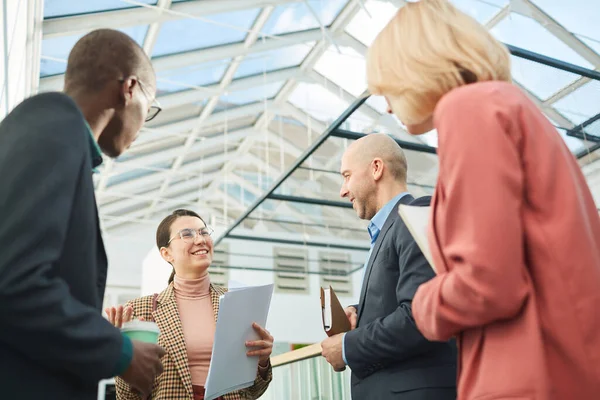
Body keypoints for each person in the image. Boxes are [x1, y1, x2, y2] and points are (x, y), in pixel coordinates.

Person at [366, 1, 600, 399]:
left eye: (387, 86)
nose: (387, 105)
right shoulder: (515, 110)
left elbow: (488, 283)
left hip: (523, 374)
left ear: (416, 67)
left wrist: (425, 303)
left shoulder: (468, 108)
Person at [0, 29, 165, 398]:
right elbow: (13, 282)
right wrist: (120, 353)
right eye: (148, 107)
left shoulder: (48, 133)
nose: (143, 124)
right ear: (128, 89)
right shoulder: (54, 127)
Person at [320, 133, 457, 399]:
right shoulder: (390, 228)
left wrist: (347, 347)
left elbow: (419, 316)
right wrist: (361, 312)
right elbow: (408, 299)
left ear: (376, 168)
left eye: (347, 175)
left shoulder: (416, 217)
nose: (343, 190)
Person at [107, 209, 273, 400]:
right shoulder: (140, 311)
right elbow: (129, 397)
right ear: (166, 253)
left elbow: (252, 392)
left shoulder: (236, 302)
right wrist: (122, 355)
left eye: (203, 232)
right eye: (187, 234)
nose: (201, 239)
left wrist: (262, 362)